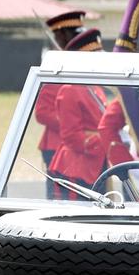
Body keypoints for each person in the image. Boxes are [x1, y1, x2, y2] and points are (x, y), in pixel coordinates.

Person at [48, 29, 109, 197]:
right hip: (76, 168)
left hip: (95, 164)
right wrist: (104, 140)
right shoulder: (69, 90)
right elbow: (71, 136)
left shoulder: (95, 87)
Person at [35, 10, 86, 195]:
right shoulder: (56, 68)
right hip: (57, 144)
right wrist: (71, 124)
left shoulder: (80, 64)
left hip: (80, 144)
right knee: (60, 196)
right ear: (62, 36)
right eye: (74, 35)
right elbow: (42, 112)